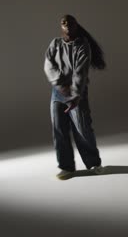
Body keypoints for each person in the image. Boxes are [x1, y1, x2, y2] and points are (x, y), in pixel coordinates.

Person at [44, 14, 106, 180]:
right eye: (64, 23)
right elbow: (49, 65)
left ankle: (93, 163)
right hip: (57, 93)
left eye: (70, 22)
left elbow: (81, 72)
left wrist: (74, 94)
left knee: (83, 128)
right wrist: (60, 85)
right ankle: (66, 167)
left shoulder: (83, 45)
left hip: (77, 93)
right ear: (61, 26)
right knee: (59, 130)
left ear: (76, 25)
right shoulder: (55, 44)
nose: (67, 25)